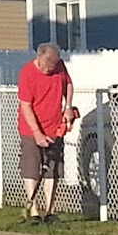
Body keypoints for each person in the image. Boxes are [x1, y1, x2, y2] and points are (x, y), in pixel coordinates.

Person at [16, 42, 78, 221]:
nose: (49, 70)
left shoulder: (59, 67)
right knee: (32, 167)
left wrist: (68, 107)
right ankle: (34, 211)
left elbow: (68, 85)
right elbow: (26, 106)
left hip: (54, 127)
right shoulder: (27, 73)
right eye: (46, 66)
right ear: (39, 57)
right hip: (31, 128)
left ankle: (49, 211)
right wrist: (37, 133)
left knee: (52, 169)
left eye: (53, 66)